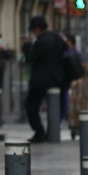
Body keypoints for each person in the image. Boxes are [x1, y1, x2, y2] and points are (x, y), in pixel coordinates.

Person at [21, 15, 66, 143]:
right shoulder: (56, 38)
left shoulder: (41, 41)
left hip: (41, 80)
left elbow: (31, 58)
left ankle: (40, 132)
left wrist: (26, 46)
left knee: (31, 105)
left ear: (37, 28)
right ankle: (54, 132)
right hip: (57, 79)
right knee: (55, 106)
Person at [60, 32, 83, 122]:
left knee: (66, 98)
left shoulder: (68, 53)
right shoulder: (76, 53)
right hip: (73, 79)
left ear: (70, 42)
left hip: (69, 80)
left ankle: (64, 116)